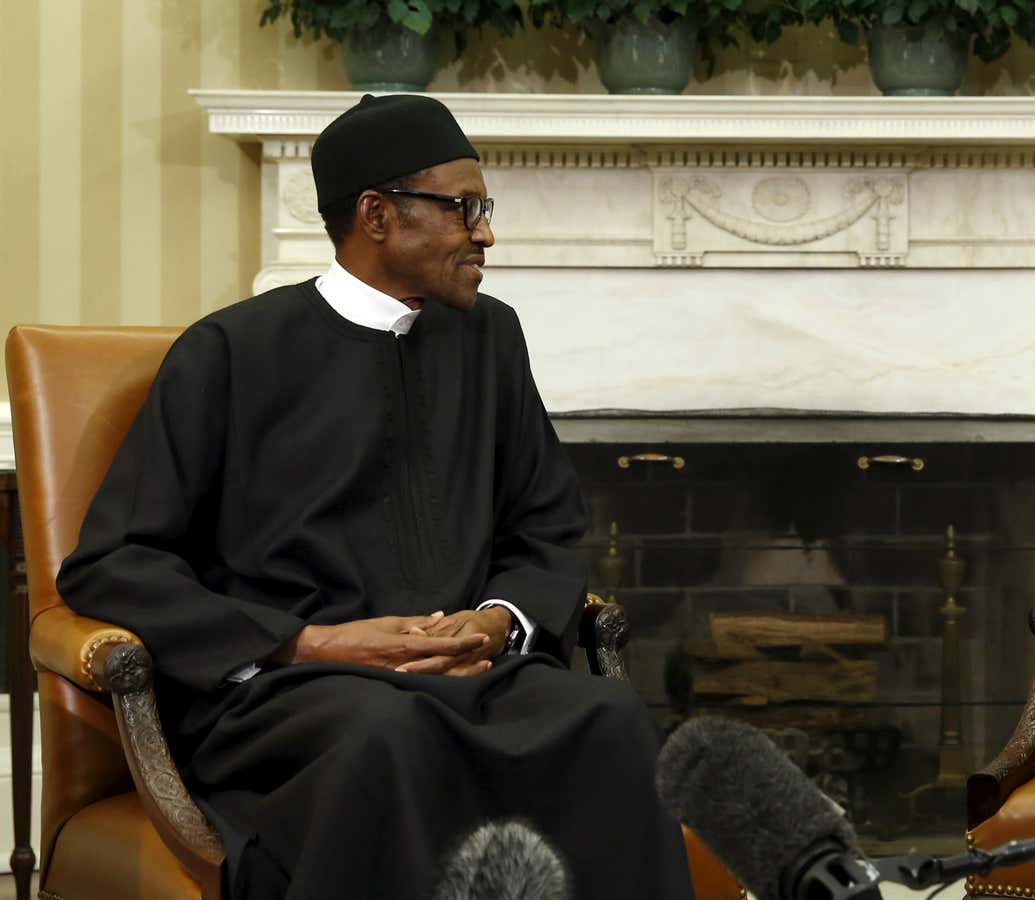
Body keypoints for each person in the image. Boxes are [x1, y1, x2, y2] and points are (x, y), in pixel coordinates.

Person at [56, 94, 695, 900]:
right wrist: (310, 644)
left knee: (611, 723)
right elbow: (113, 562)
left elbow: (548, 530)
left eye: (483, 209)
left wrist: (500, 621)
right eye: (464, 208)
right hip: (294, 697)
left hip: (474, 675)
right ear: (377, 215)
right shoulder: (230, 352)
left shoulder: (490, 340)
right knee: (389, 735)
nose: (486, 233)